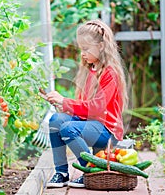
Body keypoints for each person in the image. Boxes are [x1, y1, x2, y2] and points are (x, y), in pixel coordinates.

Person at [44, 19, 128, 188]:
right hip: (91, 125)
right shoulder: (90, 70)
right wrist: (64, 107)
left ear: (101, 46)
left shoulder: (110, 73)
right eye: (81, 49)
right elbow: (85, 108)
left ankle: (91, 170)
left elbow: (97, 108)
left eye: (86, 49)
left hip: (107, 131)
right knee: (55, 121)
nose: (82, 53)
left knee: (68, 128)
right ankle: (61, 173)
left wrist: (65, 101)